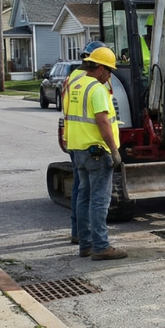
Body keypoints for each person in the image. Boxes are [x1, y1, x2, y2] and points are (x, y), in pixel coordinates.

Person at [63, 46, 127, 260]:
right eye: (109, 70)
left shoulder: (76, 84)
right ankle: (101, 247)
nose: (110, 75)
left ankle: (86, 245)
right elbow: (102, 122)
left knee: (84, 197)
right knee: (100, 201)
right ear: (99, 68)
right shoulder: (97, 89)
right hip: (97, 151)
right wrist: (115, 151)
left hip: (79, 150)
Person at [57, 41, 105, 246]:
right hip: (92, 141)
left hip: (74, 139)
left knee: (80, 189)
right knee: (93, 195)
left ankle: (79, 234)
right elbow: (101, 114)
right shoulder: (93, 80)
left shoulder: (71, 78)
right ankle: (94, 240)